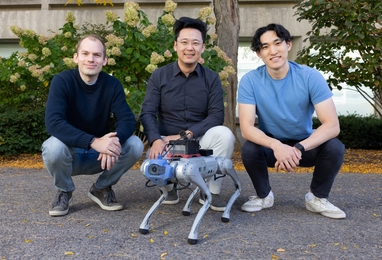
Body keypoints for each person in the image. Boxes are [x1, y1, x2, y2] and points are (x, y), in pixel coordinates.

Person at [237, 23, 346, 219]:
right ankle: (264, 196)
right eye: (265, 46)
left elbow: (332, 125)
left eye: (277, 43)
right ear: (259, 54)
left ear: (288, 44)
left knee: (334, 147)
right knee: (249, 148)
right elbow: (246, 128)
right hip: (271, 147)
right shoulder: (250, 80)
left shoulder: (310, 77)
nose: (273, 51)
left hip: (304, 146)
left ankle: (317, 198)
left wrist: (297, 149)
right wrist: (276, 146)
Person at [140, 17, 235, 212]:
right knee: (153, 155)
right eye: (184, 42)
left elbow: (216, 115)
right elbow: (147, 112)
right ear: (175, 46)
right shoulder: (159, 76)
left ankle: (210, 191)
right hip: (167, 141)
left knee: (225, 134)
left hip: (199, 140)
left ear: (202, 47)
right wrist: (155, 139)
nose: (189, 48)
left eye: (195, 43)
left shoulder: (211, 78)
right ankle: (168, 189)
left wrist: (187, 135)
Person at [42, 35, 144, 217]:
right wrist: (93, 141)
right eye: (85, 53)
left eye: (97, 55)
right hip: (69, 155)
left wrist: (112, 142)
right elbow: (54, 123)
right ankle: (64, 191)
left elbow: (127, 119)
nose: (91, 59)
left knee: (135, 144)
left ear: (104, 60)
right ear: (76, 57)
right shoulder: (62, 81)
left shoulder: (112, 85)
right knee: (52, 147)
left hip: (101, 157)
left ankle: (101, 188)